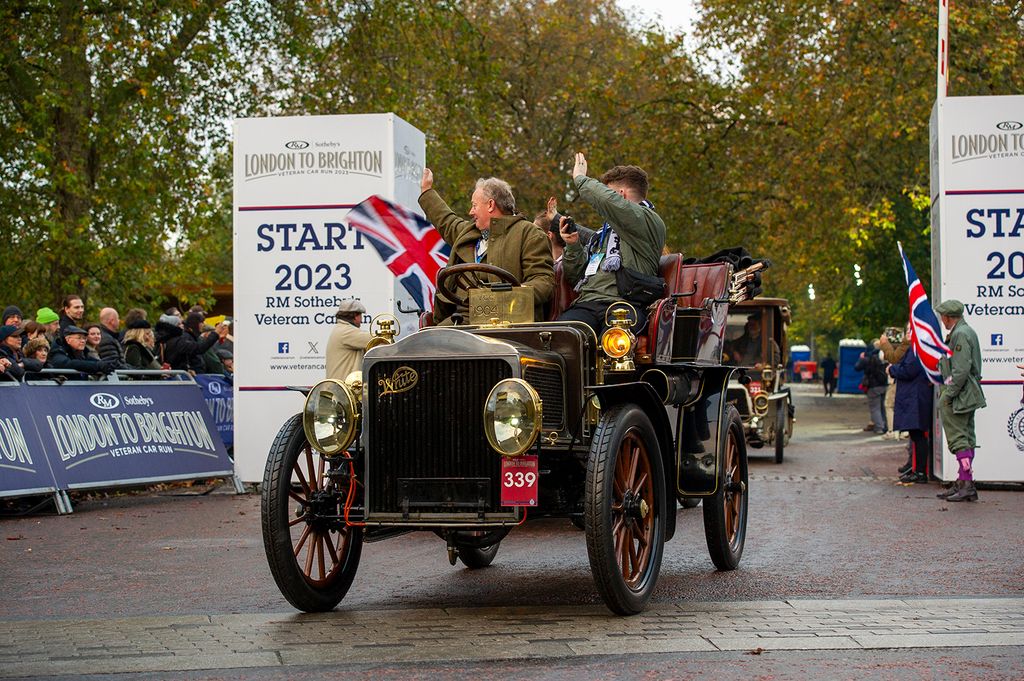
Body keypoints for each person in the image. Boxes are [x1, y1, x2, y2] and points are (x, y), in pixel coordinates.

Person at [418, 169, 553, 324]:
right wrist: (427, 192)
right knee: (428, 338)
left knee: (438, 338)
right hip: (460, 318)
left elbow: (543, 281)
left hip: (507, 321)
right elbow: (446, 221)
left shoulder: (530, 234)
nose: (470, 212)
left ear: (490, 205)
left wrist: (509, 296)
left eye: (474, 205)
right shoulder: (469, 232)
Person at [558, 153, 666, 336]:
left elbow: (608, 201)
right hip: (587, 304)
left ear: (621, 195)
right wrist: (573, 245)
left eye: (609, 191)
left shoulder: (647, 221)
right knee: (562, 336)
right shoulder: (603, 234)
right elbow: (576, 278)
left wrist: (580, 178)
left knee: (614, 342)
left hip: (624, 305)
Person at [933, 300, 986, 502]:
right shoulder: (964, 331)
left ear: (947, 317)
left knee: (959, 439)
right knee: (966, 437)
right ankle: (964, 481)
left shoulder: (960, 334)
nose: (942, 320)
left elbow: (961, 370)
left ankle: (966, 484)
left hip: (960, 394)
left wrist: (949, 394)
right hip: (966, 392)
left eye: (942, 317)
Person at [888, 346, 934, 483]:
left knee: (918, 435)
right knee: (916, 435)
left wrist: (891, 369)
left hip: (914, 396)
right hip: (915, 394)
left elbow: (909, 370)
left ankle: (920, 472)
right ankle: (917, 469)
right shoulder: (918, 348)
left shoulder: (916, 349)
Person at [325, 299, 372, 380]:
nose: (361, 320)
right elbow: (376, 339)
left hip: (339, 385)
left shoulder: (340, 329)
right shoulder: (346, 332)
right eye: (361, 316)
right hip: (344, 386)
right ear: (355, 316)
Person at [879, 326, 911, 441]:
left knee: (889, 404)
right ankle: (904, 430)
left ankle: (893, 430)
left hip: (899, 379)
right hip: (904, 380)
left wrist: (885, 344)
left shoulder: (907, 344)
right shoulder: (909, 344)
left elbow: (894, 358)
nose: (907, 333)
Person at [48, 325, 116, 377]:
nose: (83, 341)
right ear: (68, 340)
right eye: (79, 338)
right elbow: (66, 363)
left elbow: (90, 361)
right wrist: (97, 366)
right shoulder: (58, 349)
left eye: (84, 338)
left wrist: (105, 364)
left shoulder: (83, 353)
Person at [855, 341, 888, 434]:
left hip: (873, 385)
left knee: (875, 408)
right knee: (883, 407)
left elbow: (857, 367)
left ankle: (879, 427)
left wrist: (861, 358)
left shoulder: (867, 358)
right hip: (884, 384)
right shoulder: (883, 356)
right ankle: (885, 425)